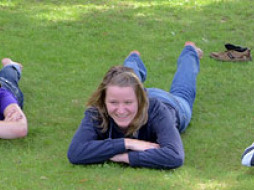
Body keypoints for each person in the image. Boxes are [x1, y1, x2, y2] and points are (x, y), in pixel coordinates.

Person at [67, 42, 202, 170]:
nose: (121, 111)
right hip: (132, 92)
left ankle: (190, 51)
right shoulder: (97, 112)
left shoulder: (157, 110)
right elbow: (75, 152)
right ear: (104, 100)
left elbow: (174, 156)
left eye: (128, 103)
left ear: (140, 100)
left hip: (172, 103)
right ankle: (133, 58)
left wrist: (126, 157)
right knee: (126, 80)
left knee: (183, 89)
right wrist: (128, 143)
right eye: (113, 102)